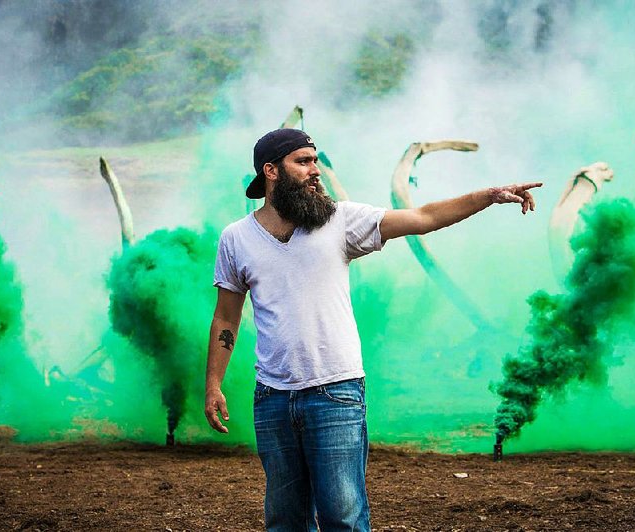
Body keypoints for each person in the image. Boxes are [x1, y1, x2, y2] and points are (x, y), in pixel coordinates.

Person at [205, 128, 541, 531]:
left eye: (316, 160)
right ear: (271, 171)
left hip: (336, 394)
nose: (317, 171)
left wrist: (488, 196)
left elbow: (423, 217)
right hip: (272, 399)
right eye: (305, 161)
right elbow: (226, 317)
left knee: (343, 518)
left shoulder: (340, 220)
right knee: (284, 521)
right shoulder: (236, 238)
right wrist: (213, 385)